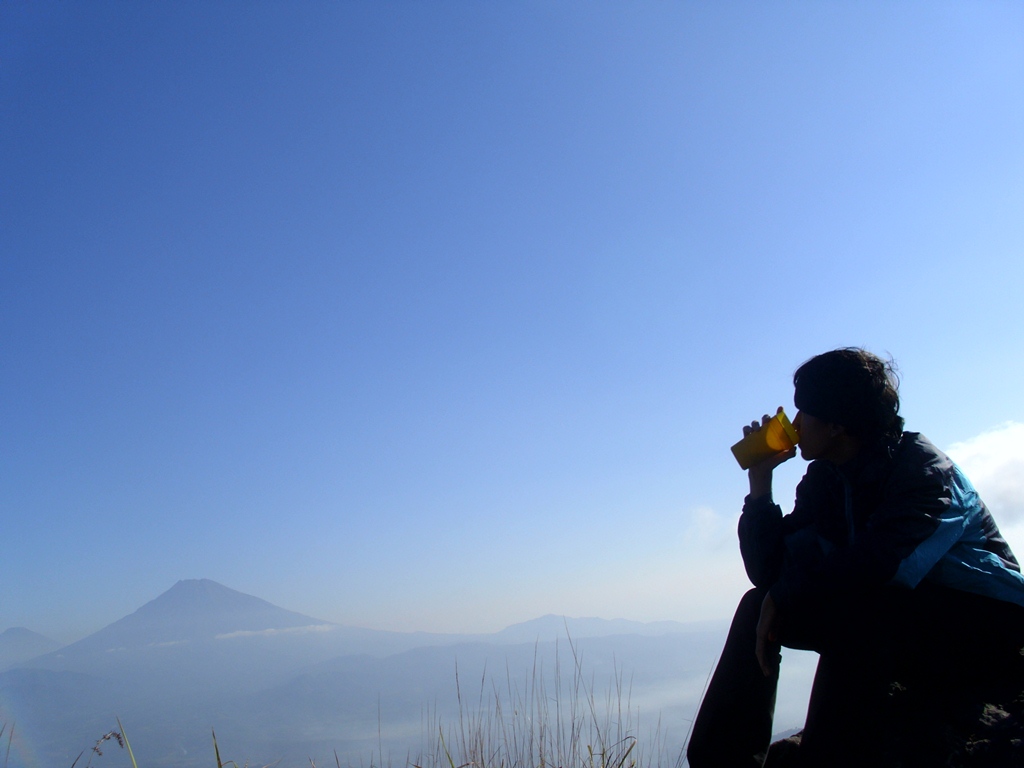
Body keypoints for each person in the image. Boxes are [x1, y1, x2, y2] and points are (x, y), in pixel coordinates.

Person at [686, 348, 1024, 768]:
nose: (793, 424)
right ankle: (722, 762)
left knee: (859, 610)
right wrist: (760, 485)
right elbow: (770, 571)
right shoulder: (828, 477)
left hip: (985, 629)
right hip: (899, 620)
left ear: (836, 423)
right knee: (759, 604)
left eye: (803, 412)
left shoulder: (924, 473)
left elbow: (885, 565)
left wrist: (789, 594)